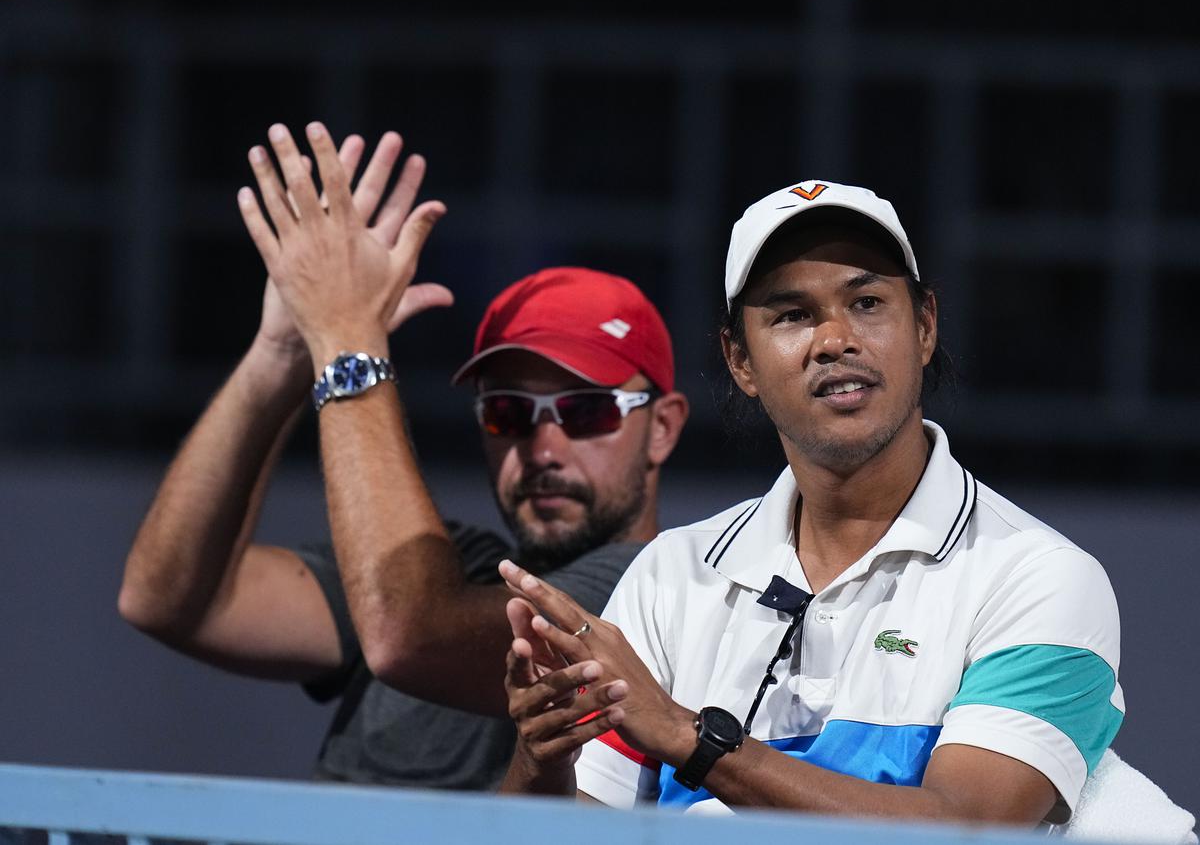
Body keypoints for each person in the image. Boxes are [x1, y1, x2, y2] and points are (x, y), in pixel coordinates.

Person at [496, 180, 1123, 828]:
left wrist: (691, 738)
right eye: (792, 314)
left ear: (925, 326)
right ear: (740, 360)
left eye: (868, 301)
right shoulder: (670, 574)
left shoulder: (1040, 577)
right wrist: (541, 757)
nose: (834, 339)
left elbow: (966, 828)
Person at [117, 122, 689, 790]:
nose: (543, 446)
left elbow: (406, 635)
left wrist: (347, 336)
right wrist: (282, 353)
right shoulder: (441, 565)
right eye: (508, 412)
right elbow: (166, 598)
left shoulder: (661, 594)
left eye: (583, 410)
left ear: (662, 428)